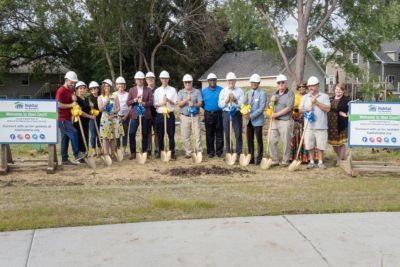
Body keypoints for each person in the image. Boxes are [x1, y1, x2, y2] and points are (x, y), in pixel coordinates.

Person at [299, 76, 331, 169]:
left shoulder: (324, 96)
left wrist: (316, 102)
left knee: (321, 145)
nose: (310, 88)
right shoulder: (305, 97)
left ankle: (320, 162)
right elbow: (299, 109)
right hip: (309, 126)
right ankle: (312, 161)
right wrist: (306, 110)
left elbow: (328, 109)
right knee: (309, 145)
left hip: (321, 125)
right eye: (309, 86)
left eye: (312, 86)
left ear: (318, 86)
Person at [55, 71, 86, 165]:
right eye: (71, 82)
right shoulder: (61, 90)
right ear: (66, 80)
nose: (73, 84)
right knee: (74, 132)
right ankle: (77, 154)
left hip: (68, 118)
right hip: (61, 119)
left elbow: (73, 101)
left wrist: (74, 101)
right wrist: (71, 104)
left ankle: (64, 159)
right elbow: (58, 104)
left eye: (74, 82)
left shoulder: (71, 90)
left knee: (65, 139)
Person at [268, 74, 295, 166]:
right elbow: (270, 106)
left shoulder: (290, 93)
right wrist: (271, 102)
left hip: (285, 121)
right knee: (271, 140)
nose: (280, 84)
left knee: (286, 141)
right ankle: (274, 160)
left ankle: (285, 161)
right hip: (275, 121)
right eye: (279, 83)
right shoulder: (274, 94)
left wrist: (276, 114)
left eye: (282, 82)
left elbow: (289, 108)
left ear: (286, 83)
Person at [127, 71, 153, 160]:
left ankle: (144, 151)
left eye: (141, 79)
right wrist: (134, 100)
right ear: (135, 80)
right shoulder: (132, 90)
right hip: (135, 115)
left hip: (145, 114)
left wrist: (143, 103)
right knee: (131, 133)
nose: (139, 81)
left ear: (143, 80)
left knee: (145, 133)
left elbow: (151, 102)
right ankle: (133, 152)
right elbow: (128, 102)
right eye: (138, 79)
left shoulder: (148, 90)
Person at [218, 72, 245, 157]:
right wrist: (227, 100)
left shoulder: (240, 91)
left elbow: (242, 104)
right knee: (227, 133)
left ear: (235, 81)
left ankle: (238, 152)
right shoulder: (223, 91)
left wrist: (235, 99)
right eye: (229, 81)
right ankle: (229, 152)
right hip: (226, 113)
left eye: (232, 81)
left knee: (238, 133)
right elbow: (220, 105)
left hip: (236, 113)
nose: (231, 82)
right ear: (227, 81)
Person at [177, 74, 203, 158]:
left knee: (197, 134)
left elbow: (200, 103)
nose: (188, 83)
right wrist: (186, 100)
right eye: (186, 82)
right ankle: (188, 152)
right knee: (185, 135)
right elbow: (179, 104)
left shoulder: (197, 91)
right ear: (183, 83)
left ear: (192, 82)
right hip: (185, 116)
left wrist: (194, 105)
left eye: (189, 82)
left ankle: (198, 151)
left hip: (195, 116)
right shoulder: (180, 92)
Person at [153, 70, 178, 160]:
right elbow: (155, 104)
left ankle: (172, 152)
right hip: (160, 115)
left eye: (166, 78)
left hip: (169, 115)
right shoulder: (157, 91)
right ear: (160, 79)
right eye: (163, 78)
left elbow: (175, 102)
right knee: (160, 135)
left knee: (171, 134)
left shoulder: (172, 90)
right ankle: (161, 151)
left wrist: (168, 100)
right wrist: (162, 103)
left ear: (168, 79)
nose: (164, 80)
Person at [98, 79, 123, 159]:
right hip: (105, 119)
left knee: (113, 137)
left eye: (108, 86)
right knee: (105, 137)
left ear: (110, 87)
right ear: (103, 87)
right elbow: (100, 109)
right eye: (105, 86)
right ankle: (107, 154)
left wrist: (114, 112)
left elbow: (118, 108)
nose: (106, 87)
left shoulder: (115, 96)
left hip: (114, 118)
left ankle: (113, 153)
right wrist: (106, 101)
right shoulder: (100, 97)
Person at [246, 74, 267, 165]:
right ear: (251, 83)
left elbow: (261, 108)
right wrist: (244, 111)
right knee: (249, 139)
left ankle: (259, 159)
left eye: (256, 82)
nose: (254, 84)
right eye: (252, 82)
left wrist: (251, 115)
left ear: (258, 83)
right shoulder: (248, 93)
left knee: (259, 140)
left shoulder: (262, 93)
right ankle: (251, 158)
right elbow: (245, 104)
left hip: (257, 121)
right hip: (248, 121)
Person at [201, 73, 223, 158]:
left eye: (214, 80)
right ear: (208, 81)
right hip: (208, 114)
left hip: (219, 114)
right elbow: (202, 103)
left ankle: (219, 152)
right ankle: (210, 152)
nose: (212, 81)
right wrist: (208, 109)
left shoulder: (221, 90)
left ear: (216, 81)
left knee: (219, 133)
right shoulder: (204, 91)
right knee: (209, 134)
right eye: (211, 80)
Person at [328, 84, 350, 166]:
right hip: (331, 124)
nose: (338, 91)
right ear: (334, 90)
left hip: (341, 123)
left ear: (343, 91)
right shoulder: (330, 99)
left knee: (341, 143)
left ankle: (340, 159)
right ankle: (340, 156)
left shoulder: (347, 100)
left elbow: (351, 110)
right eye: (337, 89)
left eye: (340, 90)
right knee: (334, 143)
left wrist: (346, 114)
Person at [73, 81, 95, 162]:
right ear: (77, 90)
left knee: (85, 137)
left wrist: (91, 108)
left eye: (83, 88)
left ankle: (85, 156)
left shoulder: (86, 99)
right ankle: (80, 157)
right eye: (80, 88)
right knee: (80, 139)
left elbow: (88, 110)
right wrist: (90, 116)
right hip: (78, 122)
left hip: (86, 122)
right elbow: (80, 112)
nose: (82, 90)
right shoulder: (76, 99)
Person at [290, 81, 309, 163]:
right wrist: (300, 111)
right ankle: (295, 156)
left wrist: (305, 112)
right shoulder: (295, 96)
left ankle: (305, 157)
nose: (301, 88)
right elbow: (292, 108)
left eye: (303, 87)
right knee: (296, 137)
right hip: (297, 119)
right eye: (300, 87)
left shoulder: (309, 96)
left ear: (306, 88)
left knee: (306, 138)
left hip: (307, 119)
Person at [113, 76, 130, 157]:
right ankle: (118, 149)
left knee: (125, 133)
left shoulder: (128, 94)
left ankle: (124, 150)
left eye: (122, 84)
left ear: (125, 85)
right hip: (116, 116)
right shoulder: (113, 94)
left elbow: (130, 106)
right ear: (116, 85)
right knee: (117, 133)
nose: (121, 86)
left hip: (126, 116)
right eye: (119, 84)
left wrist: (126, 116)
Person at [146, 71, 158, 156]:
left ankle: (157, 149)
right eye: (148, 78)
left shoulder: (158, 90)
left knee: (157, 132)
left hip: (156, 114)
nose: (150, 80)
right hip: (147, 114)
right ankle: (149, 148)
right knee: (148, 133)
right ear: (146, 80)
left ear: (154, 79)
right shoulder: (144, 90)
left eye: (152, 78)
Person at [88, 81, 102, 157]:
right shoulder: (88, 98)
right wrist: (90, 109)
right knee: (93, 135)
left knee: (100, 134)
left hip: (100, 117)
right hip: (92, 119)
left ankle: (100, 149)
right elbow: (86, 109)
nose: (93, 90)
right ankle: (94, 150)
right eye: (92, 89)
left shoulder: (101, 96)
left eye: (95, 88)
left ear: (98, 89)